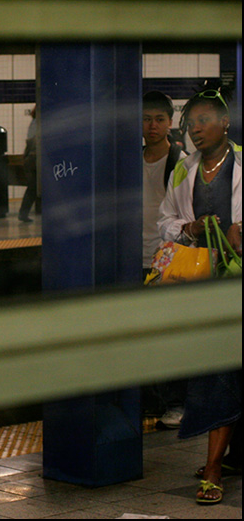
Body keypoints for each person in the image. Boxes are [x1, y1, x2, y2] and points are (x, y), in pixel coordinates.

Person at [157, 88, 242, 505]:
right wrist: (187, 229)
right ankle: (213, 464)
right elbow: (165, 221)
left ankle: (221, 461)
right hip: (205, 287)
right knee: (217, 373)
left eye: (205, 120)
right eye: (191, 123)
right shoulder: (182, 170)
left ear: (225, 122)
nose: (195, 130)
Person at [141, 91, 187, 430]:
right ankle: (149, 400)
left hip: (164, 259)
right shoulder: (129, 158)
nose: (152, 125)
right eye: (146, 119)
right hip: (133, 256)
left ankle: (176, 402)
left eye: (159, 119)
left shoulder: (182, 163)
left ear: (170, 122)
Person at [18, 106, 39, 222]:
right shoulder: (39, 123)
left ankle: (23, 213)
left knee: (32, 188)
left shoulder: (33, 122)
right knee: (34, 187)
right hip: (35, 159)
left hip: (29, 159)